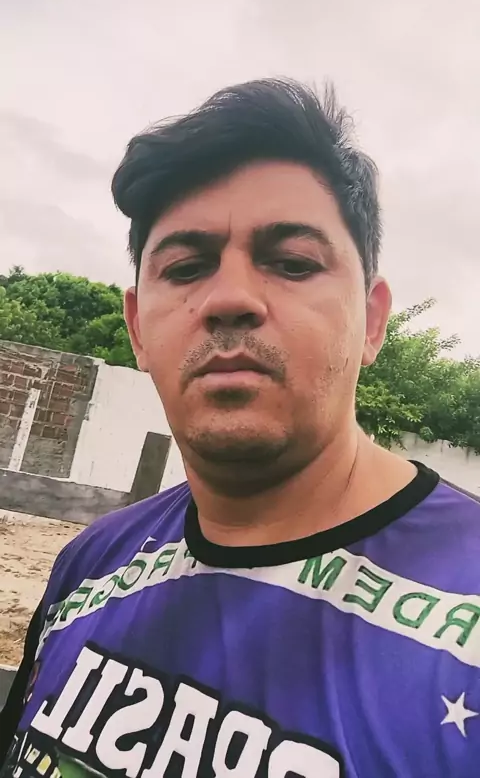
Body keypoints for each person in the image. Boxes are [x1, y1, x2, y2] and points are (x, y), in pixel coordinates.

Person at [1, 79, 479, 777]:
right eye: (186, 267)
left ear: (372, 321)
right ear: (137, 329)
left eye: (293, 263)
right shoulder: (90, 563)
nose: (228, 298)